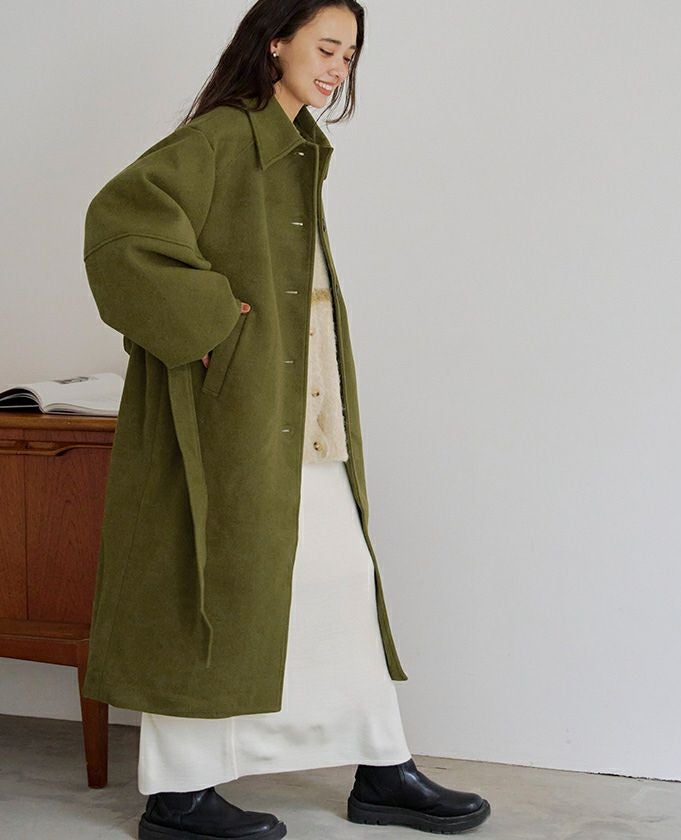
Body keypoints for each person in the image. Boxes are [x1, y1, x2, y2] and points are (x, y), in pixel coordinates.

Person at [82, 2, 491, 838]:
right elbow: (118, 227)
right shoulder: (223, 136)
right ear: (275, 44)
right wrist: (211, 326)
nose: (339, 66)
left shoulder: (296, 143)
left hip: (299, 408)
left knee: (340, 578)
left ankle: (381, 766)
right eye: (326, 47)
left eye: (350, 54)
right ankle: (179, 796)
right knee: (206, 587)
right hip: (235, 411)